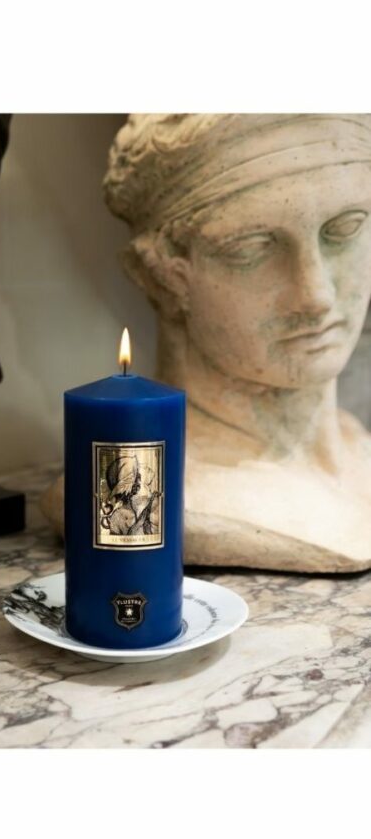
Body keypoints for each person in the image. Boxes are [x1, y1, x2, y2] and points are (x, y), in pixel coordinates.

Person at [103, 114, 371, 571]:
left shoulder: (359, 454)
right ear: (158, 276)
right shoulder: (142, 496)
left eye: (344, 229)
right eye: (251, 249)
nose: (316, 295)